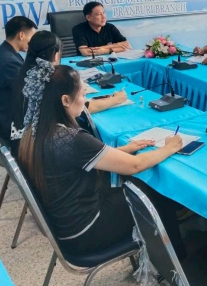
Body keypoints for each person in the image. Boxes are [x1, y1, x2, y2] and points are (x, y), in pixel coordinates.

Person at [17, 63, 187, 256]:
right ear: (65, 100)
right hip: (87, 231)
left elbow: (82, 158)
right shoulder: (73, 139)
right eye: (82, 95)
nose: (85, 101)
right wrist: (170, 147)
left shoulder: (35, 131)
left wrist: (125, 149)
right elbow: (136, 165)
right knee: (154, 194)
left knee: (131, 185)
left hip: (65, 225)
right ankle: (177, 261)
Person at [9, 31, 127, 156]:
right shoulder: (50, 79)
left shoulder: (24, 74)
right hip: (42, 152)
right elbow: (84, 108)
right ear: (56, 55)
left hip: (22, 145)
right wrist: (116, 99)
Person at [0, 16, 37, 140]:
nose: (33, 43)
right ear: (21, 35)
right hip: (12, 126)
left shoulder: (2, 53)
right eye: (32, 38)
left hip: (4, 114)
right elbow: (28, 94)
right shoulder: (9, 62)